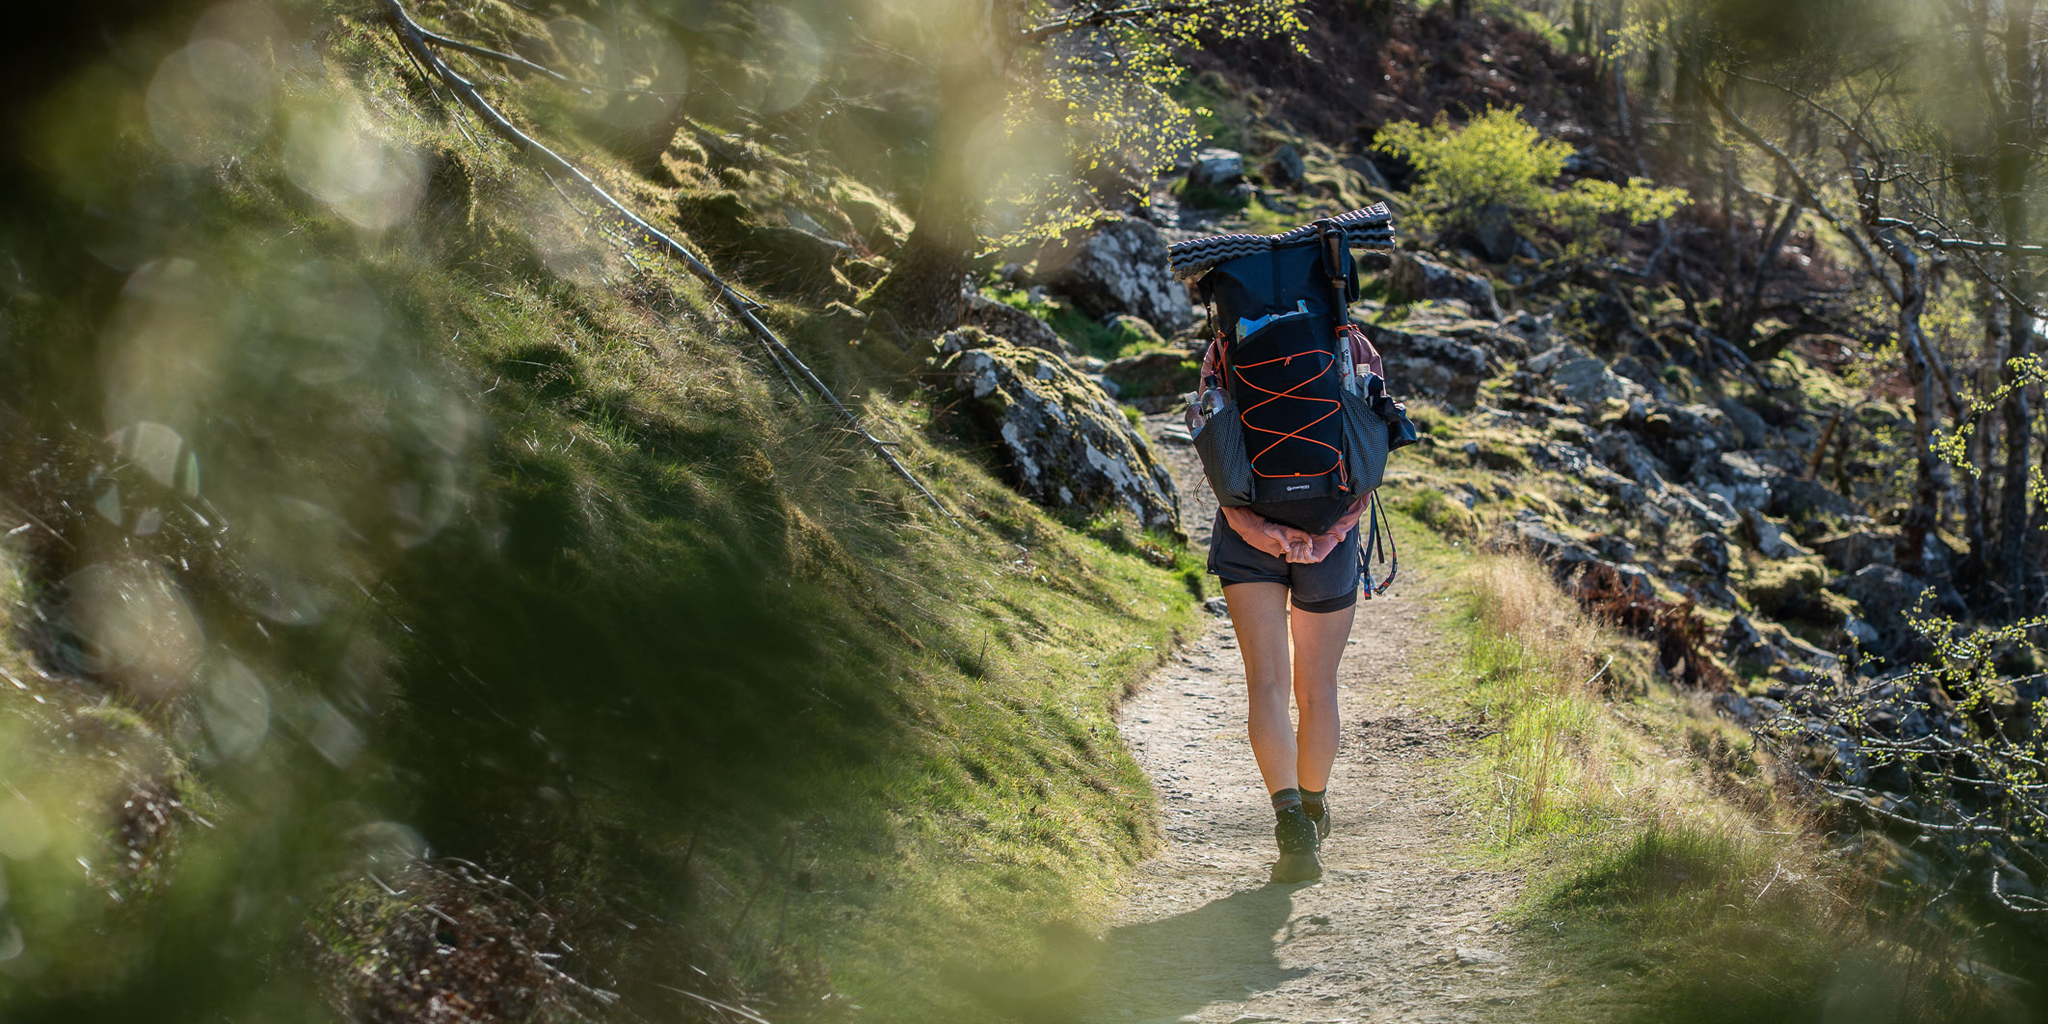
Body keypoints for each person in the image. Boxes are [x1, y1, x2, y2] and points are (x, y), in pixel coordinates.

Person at [1196, 330, 1378, 885]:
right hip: (1329, 532)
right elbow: (1369, 453)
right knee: (1318, 686)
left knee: (1267, 684)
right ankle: (1315, 807)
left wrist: (1257, 528)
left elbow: (1215, 447)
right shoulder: (1352, 345)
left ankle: (1292, 829)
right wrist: (1328, 536)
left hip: (1246, 536)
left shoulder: (1225, 345)